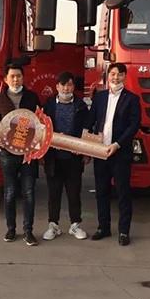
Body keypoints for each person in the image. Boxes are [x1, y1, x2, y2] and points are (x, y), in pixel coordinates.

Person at [85, 62, 141, 246]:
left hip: (120, 152)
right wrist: (84, 144)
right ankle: (103, 227)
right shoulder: (100, 97)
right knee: (101, 191)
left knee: (123, 193)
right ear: (107, 76)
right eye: (112, 74)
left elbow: (133, 126)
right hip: (100, 152)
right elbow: (90, 120)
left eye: (119, 74)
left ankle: (124, 231)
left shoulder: (132, 99)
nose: (115, 78)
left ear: (124, 76)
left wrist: (117, 144)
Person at [0, 64, 41, 246]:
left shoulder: (32, 97)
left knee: (29, 192)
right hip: (8, 153)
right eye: (12, 76)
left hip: (28, 154)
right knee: (10, 193)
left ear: (23, 78)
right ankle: (11, 229)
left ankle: (28, 231)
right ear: (6, 79)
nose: (15, 79)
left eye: (18, 76)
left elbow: (40, 121)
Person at [41, 72, 89, 241]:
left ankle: (75, 225)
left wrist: (86, 152)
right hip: (53, 158)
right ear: (57, 87)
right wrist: (41, 153)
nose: (66, 88)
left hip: (74, 158)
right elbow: (41, 129)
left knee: (74, 193)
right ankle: (53, 225)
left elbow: (87, 129)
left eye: (69, 85)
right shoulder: (48, 105)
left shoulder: (81, 106)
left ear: (73, 87)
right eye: (63, 85)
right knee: (53, 194)